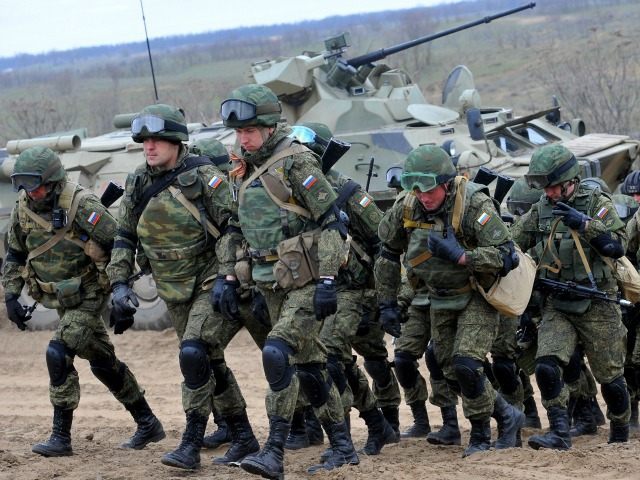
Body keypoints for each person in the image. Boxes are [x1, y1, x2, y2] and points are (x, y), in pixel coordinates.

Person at [106, 104, 259, 470]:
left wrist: (227, 276)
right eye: (144, 140)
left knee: (194, 353)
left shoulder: (205, 176)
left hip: (209, 279)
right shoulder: (137, 181)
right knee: (209, 360)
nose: (149, 146)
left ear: (176, 141)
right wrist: (119, 283)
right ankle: (243, 436)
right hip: (172, 286)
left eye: (157, 140)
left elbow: (233, 227)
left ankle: (190, 443)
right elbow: (124, 235)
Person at [219, 84, 358, 479]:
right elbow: (235, 227)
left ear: (269, 127)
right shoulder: (242, 168)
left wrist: (328, 279)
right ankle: (343, 447)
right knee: (310, 366)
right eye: (238, 132)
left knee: (276, 353)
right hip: (269, 282)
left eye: (249, 131)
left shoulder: (297, 163)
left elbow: (333, 223)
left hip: (307, 280)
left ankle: (273, 452)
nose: (243, 139)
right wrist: (228, 276)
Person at [2, 146, 165, 457]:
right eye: (22, 184)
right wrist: (11, 294)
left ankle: (60, 438)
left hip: (90, 293)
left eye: (34, 184)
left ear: (52, 182)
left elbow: (120, 245)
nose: (29, 191)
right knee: (103, 363)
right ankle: (148, 423)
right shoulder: (23, 208)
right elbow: (15, 254)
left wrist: (120, 293)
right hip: (62, 296)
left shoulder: (81, 204)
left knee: (58, 353)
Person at [375, 145, 524, 457]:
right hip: (439, 296)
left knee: (466, 363)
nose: (423, 197)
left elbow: (507, 255)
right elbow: (388, 254)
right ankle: (507, 416)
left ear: (446, 183)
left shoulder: (474, 203)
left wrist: (463, 257)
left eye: (429, 190)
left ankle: (480, 436)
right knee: (450, 372)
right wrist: (387, 304)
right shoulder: (408, 205)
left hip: (477, 293)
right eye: (417, 190)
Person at [289, 123, 399, 455]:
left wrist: (384, 299)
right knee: (318, 357)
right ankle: (374, 424)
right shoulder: (287, 194)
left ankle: (350, 435)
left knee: (333, 355)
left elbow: (385, 244)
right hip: (310, 288)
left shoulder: (347, 192)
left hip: (353, 288)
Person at [512, 144, 630, 450]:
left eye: (553, 187)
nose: (548, 193)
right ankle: (559, 432)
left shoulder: (595, 202)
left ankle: (620, 432)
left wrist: (584, 224)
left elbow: (617, 245)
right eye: (544, 188)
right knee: (546, 365)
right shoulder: (541, 208)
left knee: (610, 377)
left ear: (569, 181)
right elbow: (512, 242)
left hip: (598, 302)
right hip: (558, 303)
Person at [188, 137, 273, 457]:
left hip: (252, 287)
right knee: (201, 353)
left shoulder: (236, 191)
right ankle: (227, 424)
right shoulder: (205, 195)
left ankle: (303, 424)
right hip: (225, 287)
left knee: (279, 355)